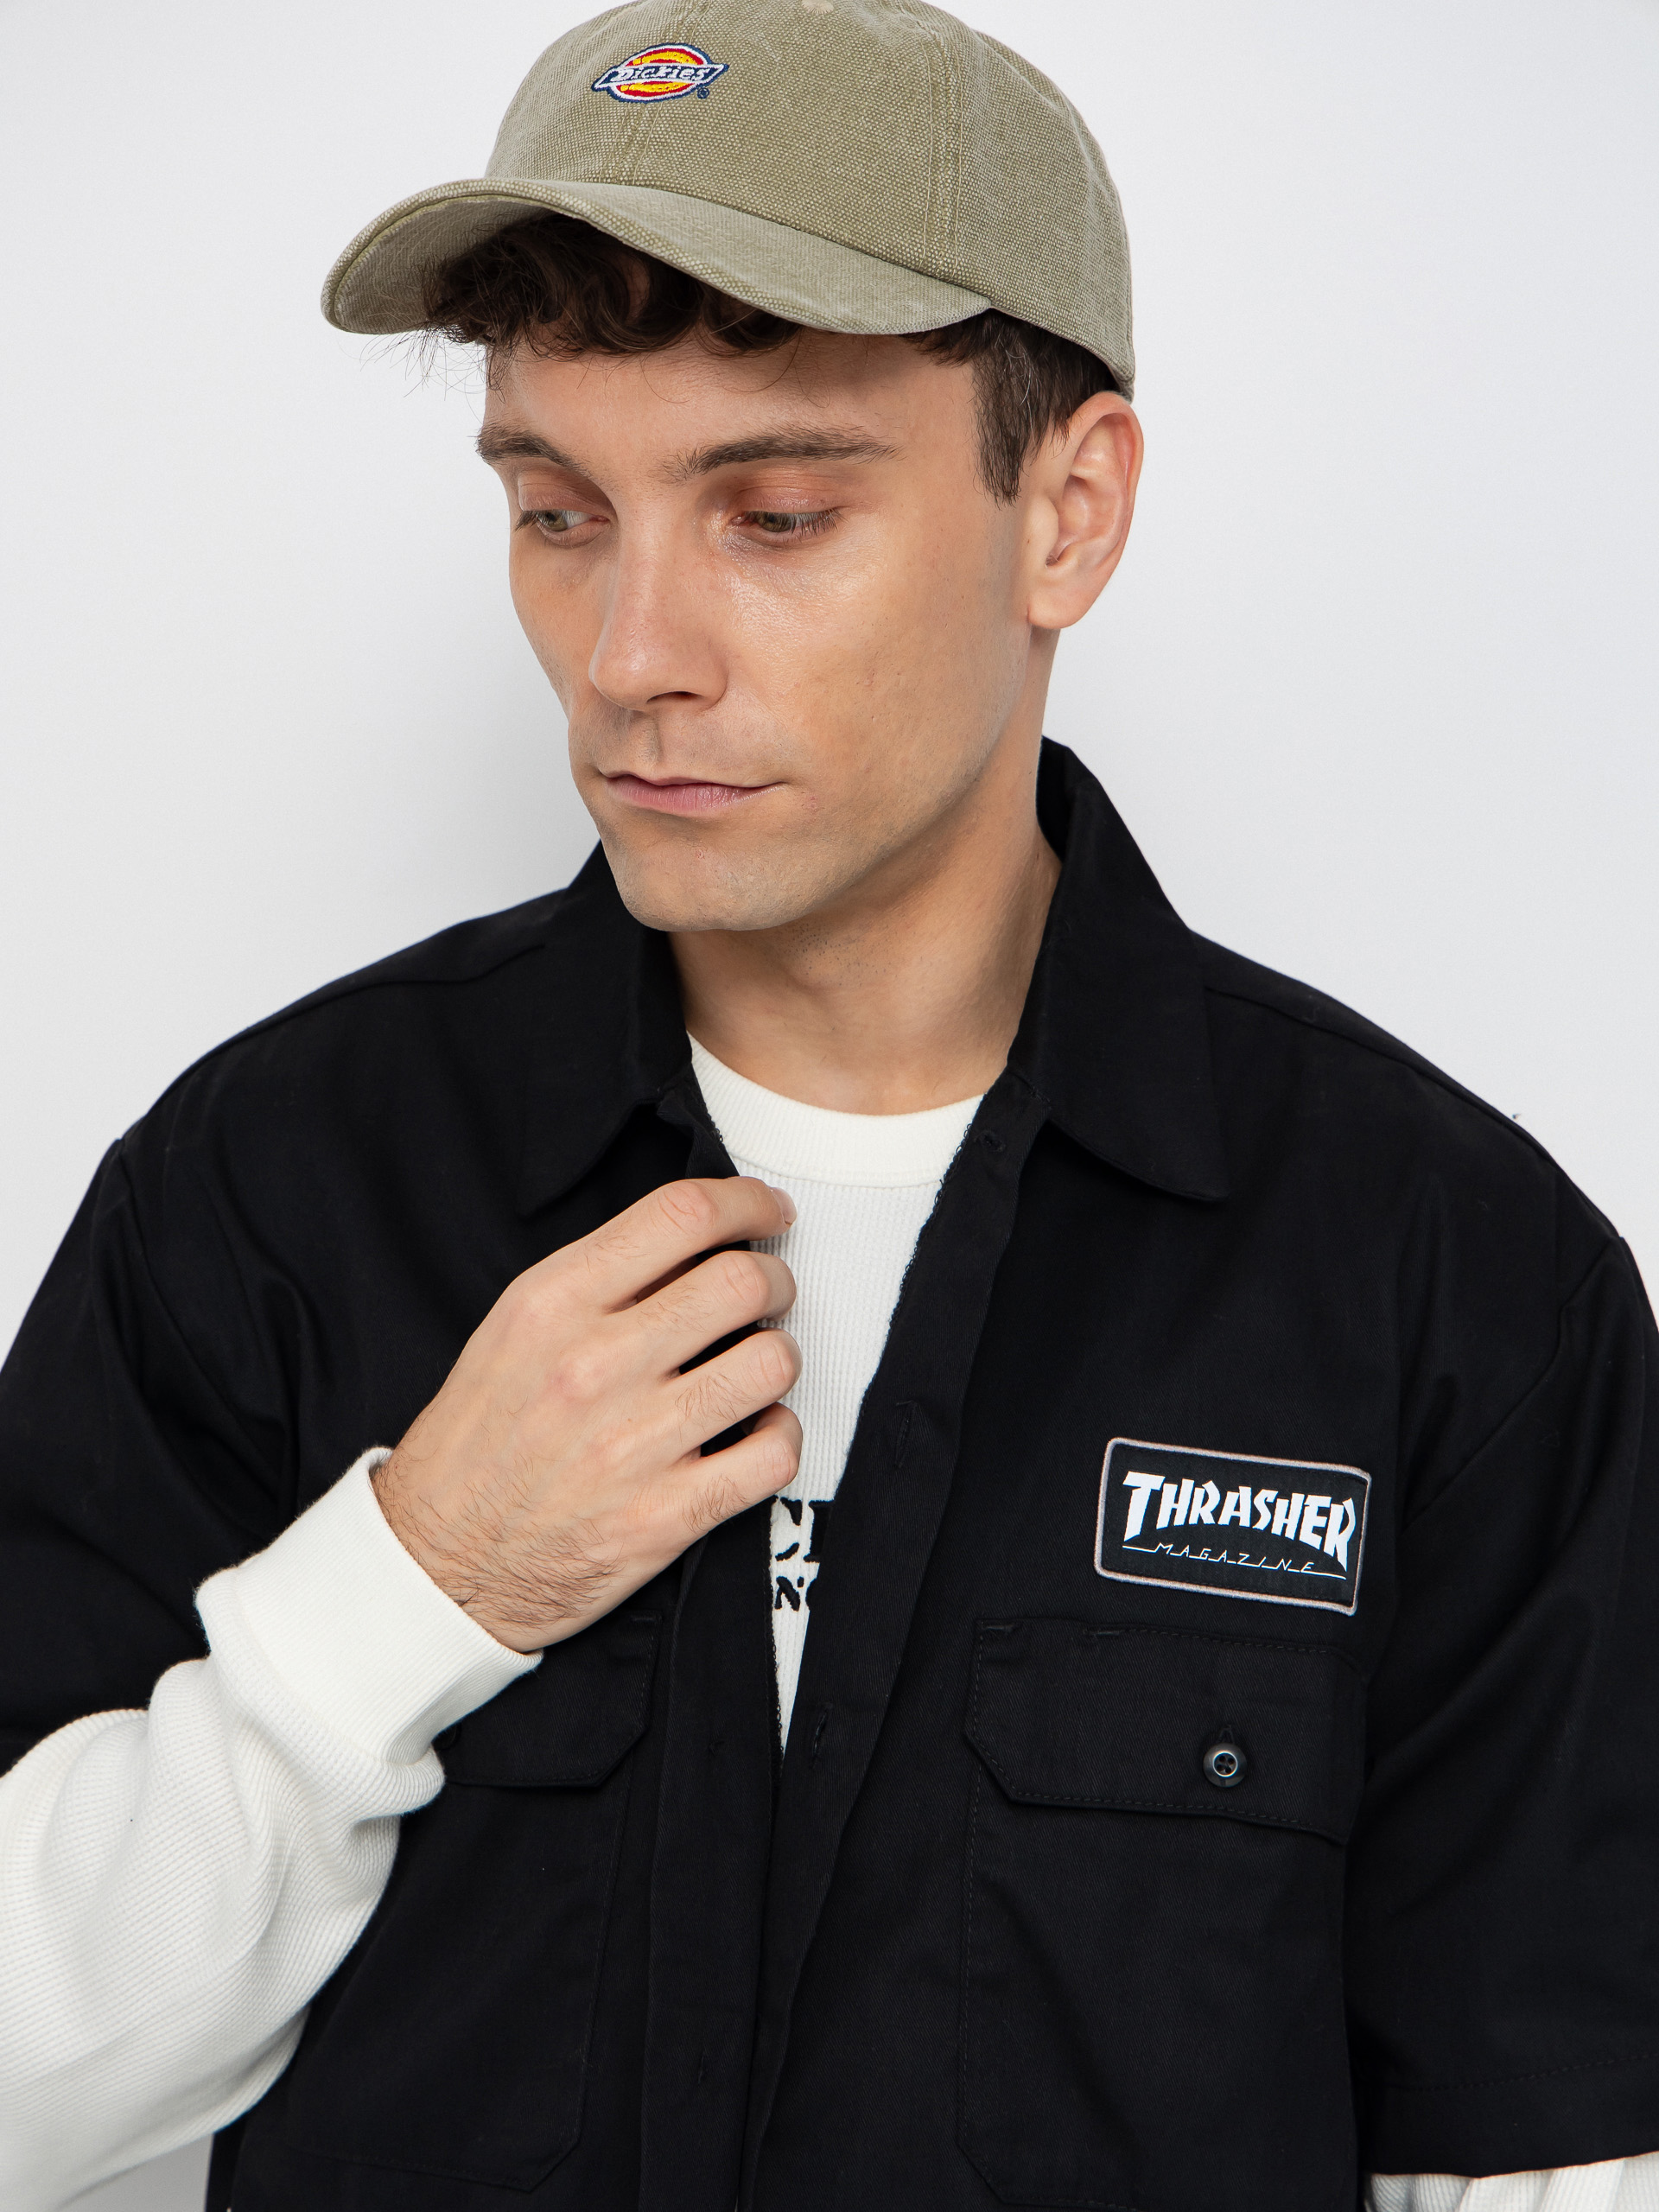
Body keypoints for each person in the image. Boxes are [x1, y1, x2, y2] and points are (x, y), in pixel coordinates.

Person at [2, 2, 1657, 2207]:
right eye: (557, 510)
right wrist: (414, 1584)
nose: (629, 653)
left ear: (1069, 512)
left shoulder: (1446, 1273)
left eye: (773, 514)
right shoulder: (271, 1193)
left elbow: (1552, 2151)